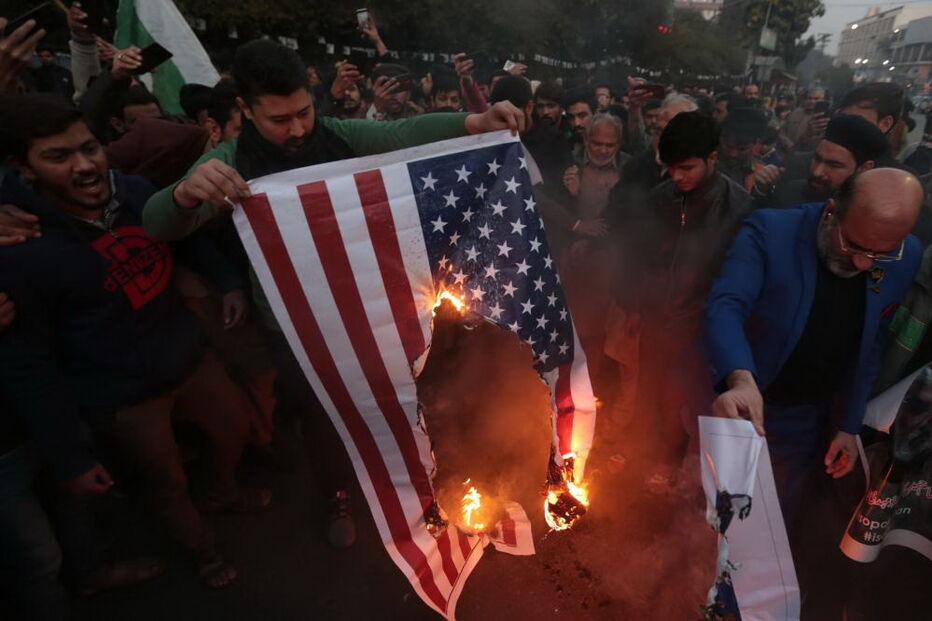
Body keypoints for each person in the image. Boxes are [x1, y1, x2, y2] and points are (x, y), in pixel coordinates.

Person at [142, 39, 526, 548]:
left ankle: (421, 486)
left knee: (405, 400)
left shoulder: (337, 136)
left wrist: (473, 124)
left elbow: (400, 133)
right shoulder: (229, 161)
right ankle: (336, 495)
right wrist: (185, 192)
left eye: (304, 111)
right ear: (245, 109)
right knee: (320, 418)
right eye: (279, 119)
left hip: (371, 311)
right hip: (295, 329)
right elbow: (158, 225)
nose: (298, 129)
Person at [0, 94, 268, 589]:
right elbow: (27, 365)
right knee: (166, 482)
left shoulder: (138, 191)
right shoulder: (20, 252)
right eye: (59, 157)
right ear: (25, 169)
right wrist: (70, 458)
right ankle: (204, 551)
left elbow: (186, 238)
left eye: (90, 148)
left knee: (238, 428)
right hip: (122, 397)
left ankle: (225, 490)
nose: (85, 167)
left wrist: (226, 282)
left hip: (189, 358)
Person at [705, 168, 923, 527]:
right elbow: (725, 305)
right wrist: (740, 377)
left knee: (767, 520)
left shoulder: (906, 255)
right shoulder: (772, 232)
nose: (863, 263)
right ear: (831, 211)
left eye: (879, 254)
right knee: (710, 506)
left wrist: (849, 424)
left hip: (805, 418)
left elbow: (873, 341)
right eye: (853, 245)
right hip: (740, 402)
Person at [608, 111, 753, 490]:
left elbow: (735, 277)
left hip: (702, 324)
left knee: (684, 396)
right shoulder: (661, 197)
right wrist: (636, 306)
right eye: (670, 168)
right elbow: (643, 258)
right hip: (658, 317)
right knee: (648, 388)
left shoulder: (738, 208)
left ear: (713, 159)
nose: (677, 177)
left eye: (687, 168)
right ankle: (641, 449)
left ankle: (672, 461)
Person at [755, 115, 887, 210]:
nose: (817, 172)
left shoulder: (872, 213)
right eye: (817, 158)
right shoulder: (788, 194)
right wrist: (761, 192)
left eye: (833, 165)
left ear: (864, 168)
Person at [717, 107, 768, 192]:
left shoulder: (761, 174)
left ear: (756, 143)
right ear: (721, 137)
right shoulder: (705, 163)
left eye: (742, 149)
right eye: (728, 146)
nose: (733, 154)